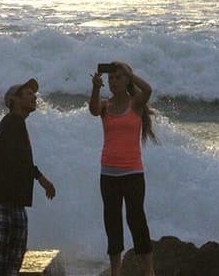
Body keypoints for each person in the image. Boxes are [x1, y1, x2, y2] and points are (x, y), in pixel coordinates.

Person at [0, 78, 56, 276]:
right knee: (7, 262)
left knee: (10, 261)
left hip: (11, 199)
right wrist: (41, 179)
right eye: (28, 94)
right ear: (14, 100)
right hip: (8, 200)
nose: (34, 97)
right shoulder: (13, 122)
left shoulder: (12, 124)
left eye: (34, 94)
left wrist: (0, 185)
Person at [90, 61, 156, 276]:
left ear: (127, 79)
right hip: (108, 174)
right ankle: (115, 271)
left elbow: (148, 89)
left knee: (136, 220)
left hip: (133, 173)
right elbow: (92, 110)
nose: (114, 81)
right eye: (111, 78)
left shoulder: (135, 104)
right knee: (112, 222)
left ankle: (148, 271)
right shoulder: (105, 105)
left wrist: (130, 72)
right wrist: (96, 87)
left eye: (119, 77)